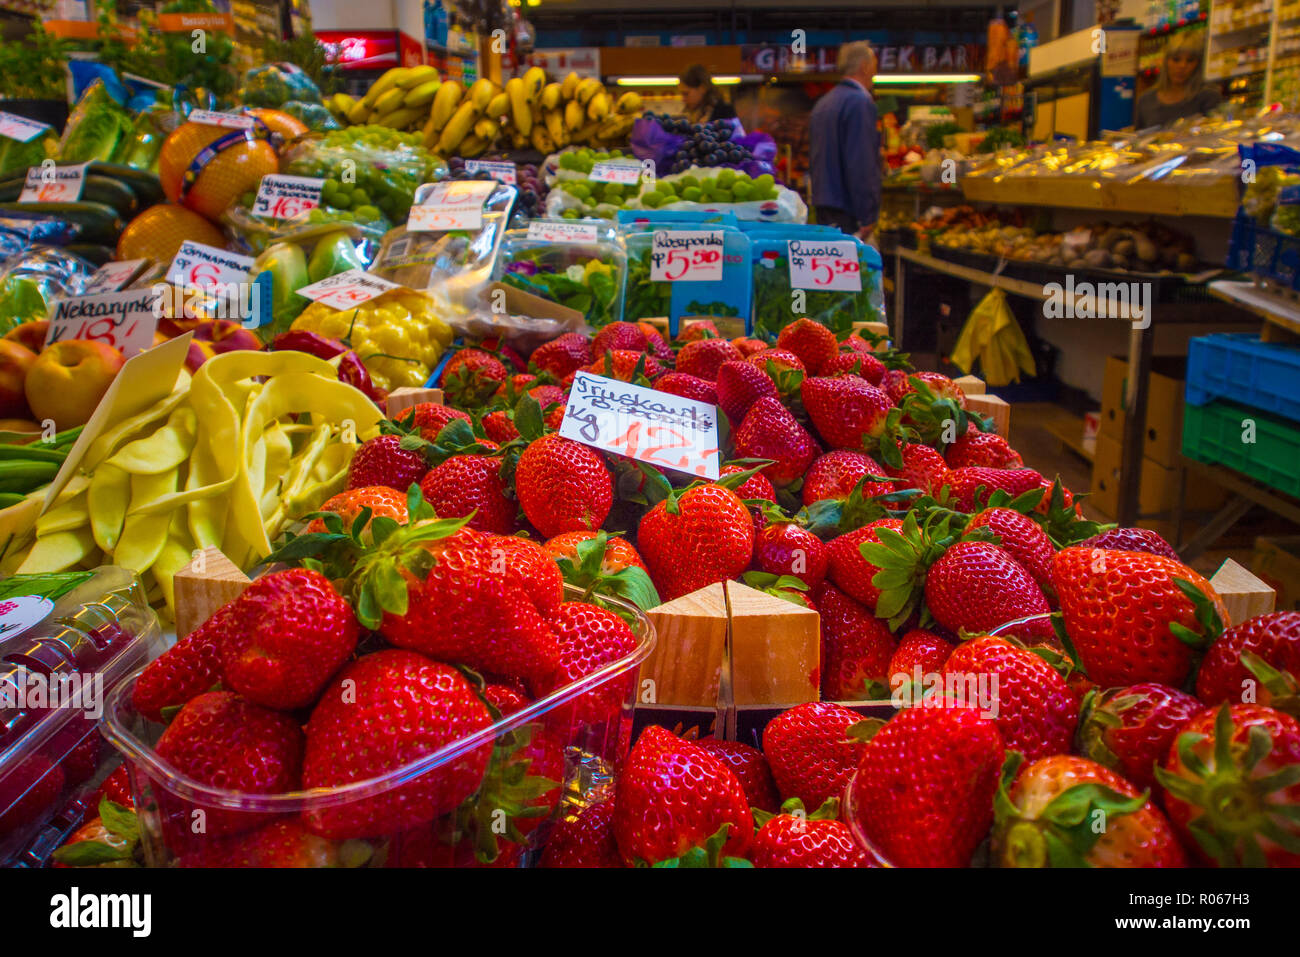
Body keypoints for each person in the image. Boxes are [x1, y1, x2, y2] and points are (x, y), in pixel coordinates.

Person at [808, 41, 881, 240]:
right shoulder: (860, 102)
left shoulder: (824, 103)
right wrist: (867, 216)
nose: (875, 72)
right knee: (854, 268)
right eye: (874, 65)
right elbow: (861, 162)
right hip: (847, 210)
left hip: (825, 205)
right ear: (864, 66)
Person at [1134, 32, 1221, 129]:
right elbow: (1139, 139)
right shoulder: (1145, 101)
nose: (1182, 66)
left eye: (1190, 60)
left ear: (1198, 65)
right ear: (1165, 62)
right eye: (1176, 59)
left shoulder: (1208, 97)